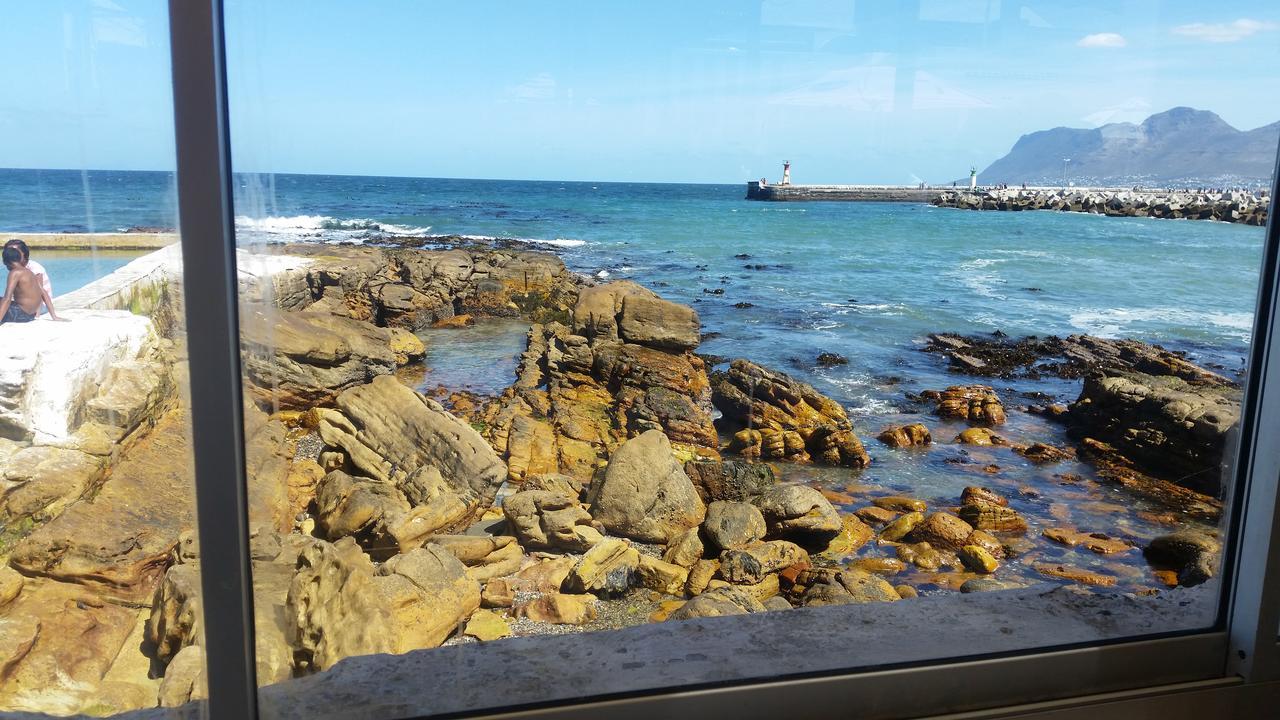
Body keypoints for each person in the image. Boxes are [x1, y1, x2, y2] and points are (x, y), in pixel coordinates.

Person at [0, 246, 61, 324]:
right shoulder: (29, 272)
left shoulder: (15, 273)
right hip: (31, 315)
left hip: (20, 314)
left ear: (5, 261)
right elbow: (43, 293)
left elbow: (7, 298)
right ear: (19, 259)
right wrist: (54, 316)